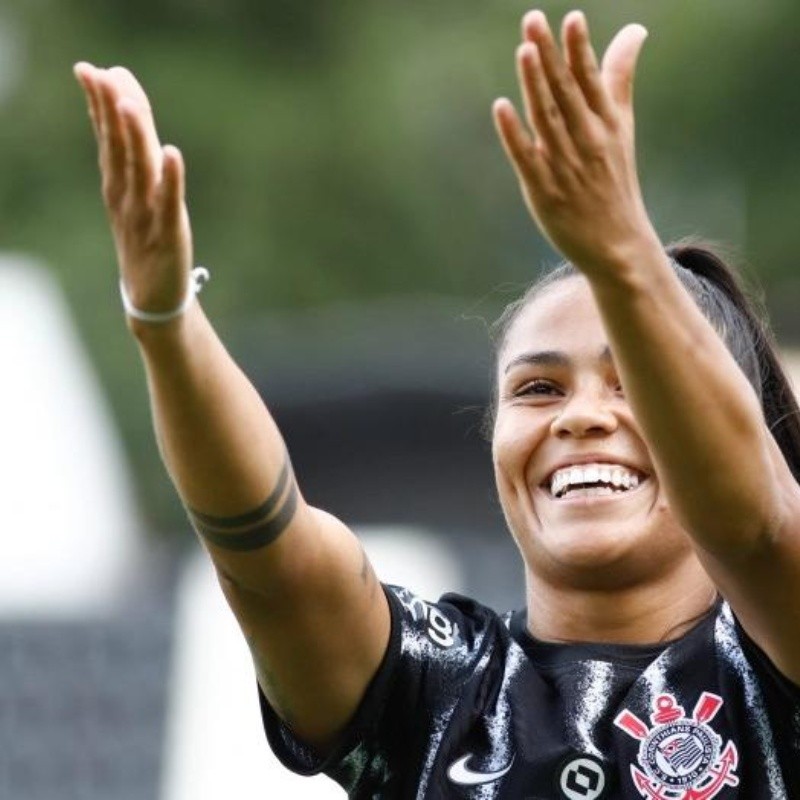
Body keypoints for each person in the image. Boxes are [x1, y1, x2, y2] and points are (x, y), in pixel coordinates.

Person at [74, 9, 800, 798]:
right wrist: (166, 321)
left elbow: (753, 525)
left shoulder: (773, 665)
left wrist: (625, 254)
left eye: (635, 384)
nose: (580, 416)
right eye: (537, 388)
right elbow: (267, 561)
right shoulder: (430, 689)